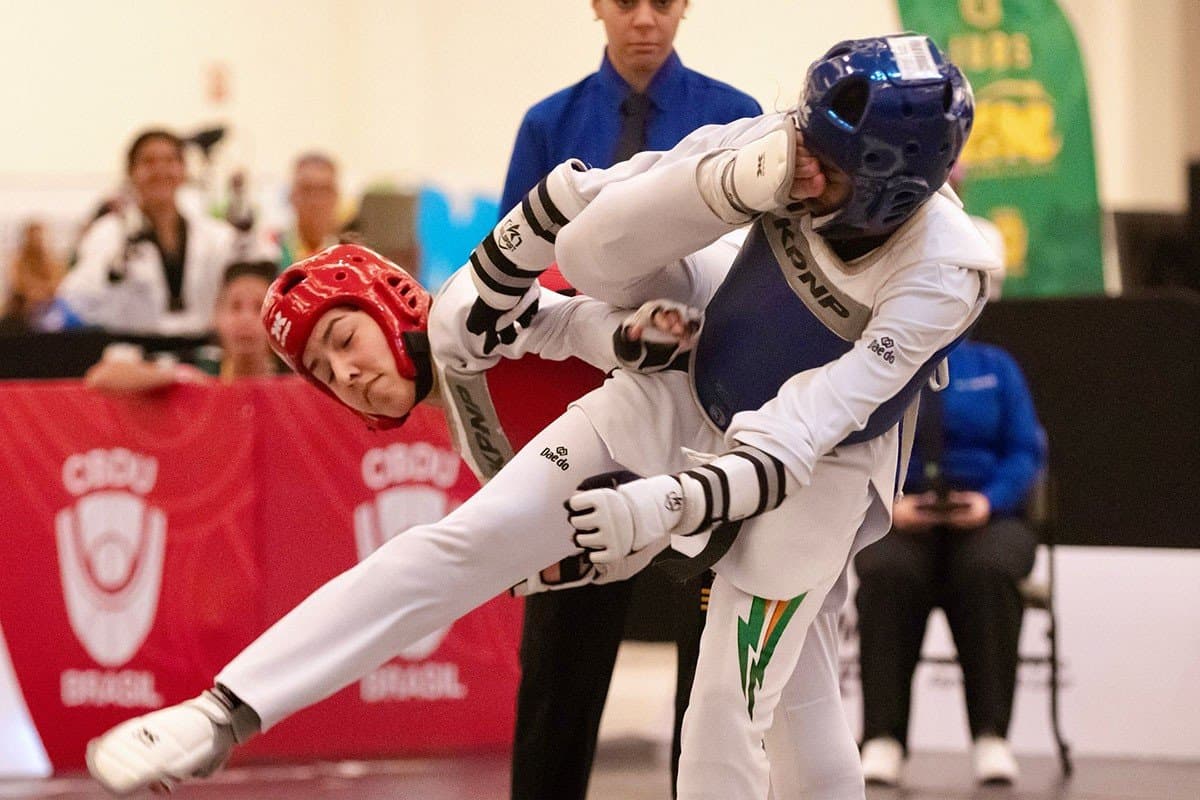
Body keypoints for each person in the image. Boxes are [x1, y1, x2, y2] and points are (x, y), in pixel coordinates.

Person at [86, 35, 996, 800]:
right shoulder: (776, 144)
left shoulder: (948, 268)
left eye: (344, 342)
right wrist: (509, 270)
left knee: (731, 700)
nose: (796, 167)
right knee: (465, 539)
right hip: (689, 382)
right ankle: (223, 712)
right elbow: (602, 217)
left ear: (885, 185)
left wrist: (663, 502)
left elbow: (810, 423)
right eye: (325, 368)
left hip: (819, 473)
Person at [496, 2, 761, 796]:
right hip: (582, 407)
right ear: (596, 8)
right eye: (624, 0)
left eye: (662, 0)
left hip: (706, 414)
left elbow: (760, 268)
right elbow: (512, 270)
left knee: (710, 670)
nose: (643, 18)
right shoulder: (549, 123)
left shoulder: (737, 117)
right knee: (558, 664)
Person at [854, 337, 1045, 787]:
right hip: (901, 515)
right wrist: (887, 505)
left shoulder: (997, 366)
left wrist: (988, 501)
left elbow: (1025, 451)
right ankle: (883, 738)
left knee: (988, 572)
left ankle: (991, 737)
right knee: (884, 572)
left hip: (987, 516)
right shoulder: (883, 363)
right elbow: (857, 447)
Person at [55, 129, 252, 337]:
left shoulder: (215, 234)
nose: (160, 170)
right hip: (132, 352)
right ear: (131, 173)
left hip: (204, 348)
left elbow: (252, 275)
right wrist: (114, 271)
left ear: (184, 170)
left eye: (170, 161)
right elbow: (75, 298)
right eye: (149, 162)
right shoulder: (109, 233)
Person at [84, 260, 282, 392]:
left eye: (259, 308)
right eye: (235, 307)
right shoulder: (201, 364)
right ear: (216, 316)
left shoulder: (296, 375)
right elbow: (100, 377)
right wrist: (177, 377)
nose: (245, 319)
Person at [275, 152, 345, 270]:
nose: (316, 201)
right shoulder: (271, 252)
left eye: (325, 190)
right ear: (291, 196)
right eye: (307, 190)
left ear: (336, 196)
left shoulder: (349, 256)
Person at [1, 220, 66, 329]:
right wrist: (34, 293)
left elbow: (58, 283)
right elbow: (18, 283)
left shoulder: (52, 260)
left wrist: (42, 293)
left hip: (49, 307)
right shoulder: (17, 260)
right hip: (22, 308)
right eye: (33, 237)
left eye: (39, 237)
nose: (37, 241)